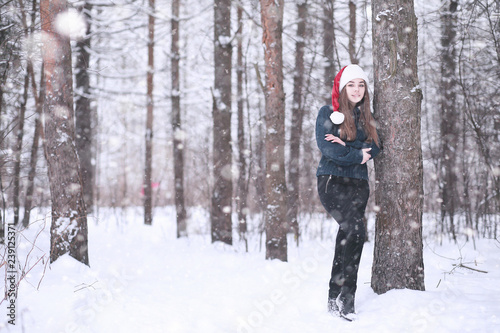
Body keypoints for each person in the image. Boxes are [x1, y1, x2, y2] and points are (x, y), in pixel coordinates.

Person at [315, 64, 380, 321]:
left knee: (348, 234)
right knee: (356, 230)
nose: (356, 89)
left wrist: (349, 147)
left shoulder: (367, 117)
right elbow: (330, 150)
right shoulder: (327, 113)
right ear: (342, 88)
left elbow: (376, 145)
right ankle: (347, 298)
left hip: (358, 185)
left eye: (361, 85)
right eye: (351, 85)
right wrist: (357, 153)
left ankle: (334, 294)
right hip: (331, 181)